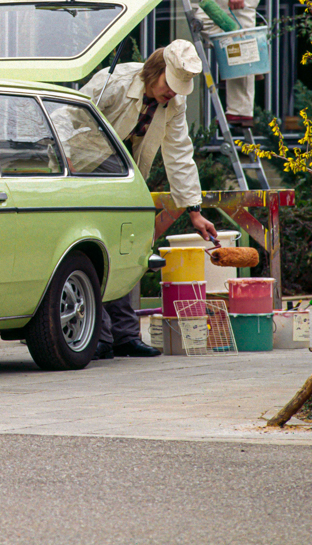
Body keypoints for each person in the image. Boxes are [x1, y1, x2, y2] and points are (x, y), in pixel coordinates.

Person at [81, 40, 219, 359]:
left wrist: (194, 210)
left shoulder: (173, 103)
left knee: (128, 244)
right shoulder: (112, 84)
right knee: (96, 246)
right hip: (86, 167)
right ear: (154, 72)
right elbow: (66, 122)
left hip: (125, 173)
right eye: (169, 85)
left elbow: (179, 153)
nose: (171, 93)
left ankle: (125, 335)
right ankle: (98, 336)